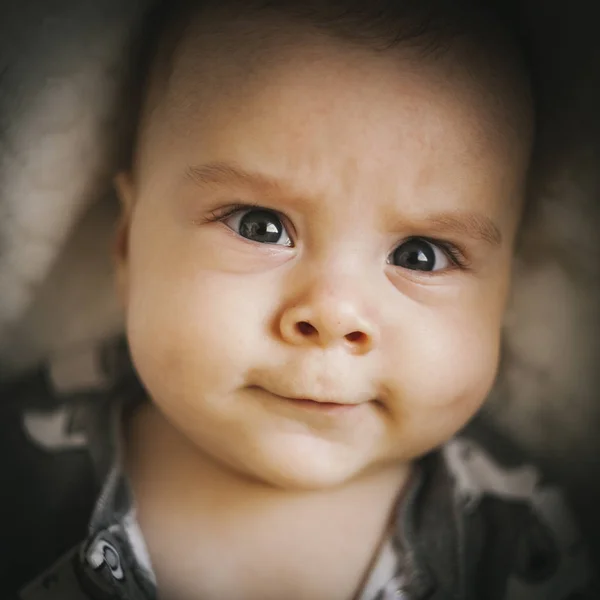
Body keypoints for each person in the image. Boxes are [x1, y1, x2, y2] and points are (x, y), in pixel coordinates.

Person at [8, 0, 594, 598]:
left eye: (422, 255)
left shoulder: (524, 540)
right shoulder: (19, 462)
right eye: (260, 226)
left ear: (504, 296)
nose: (334, 315)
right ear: (128, 241)